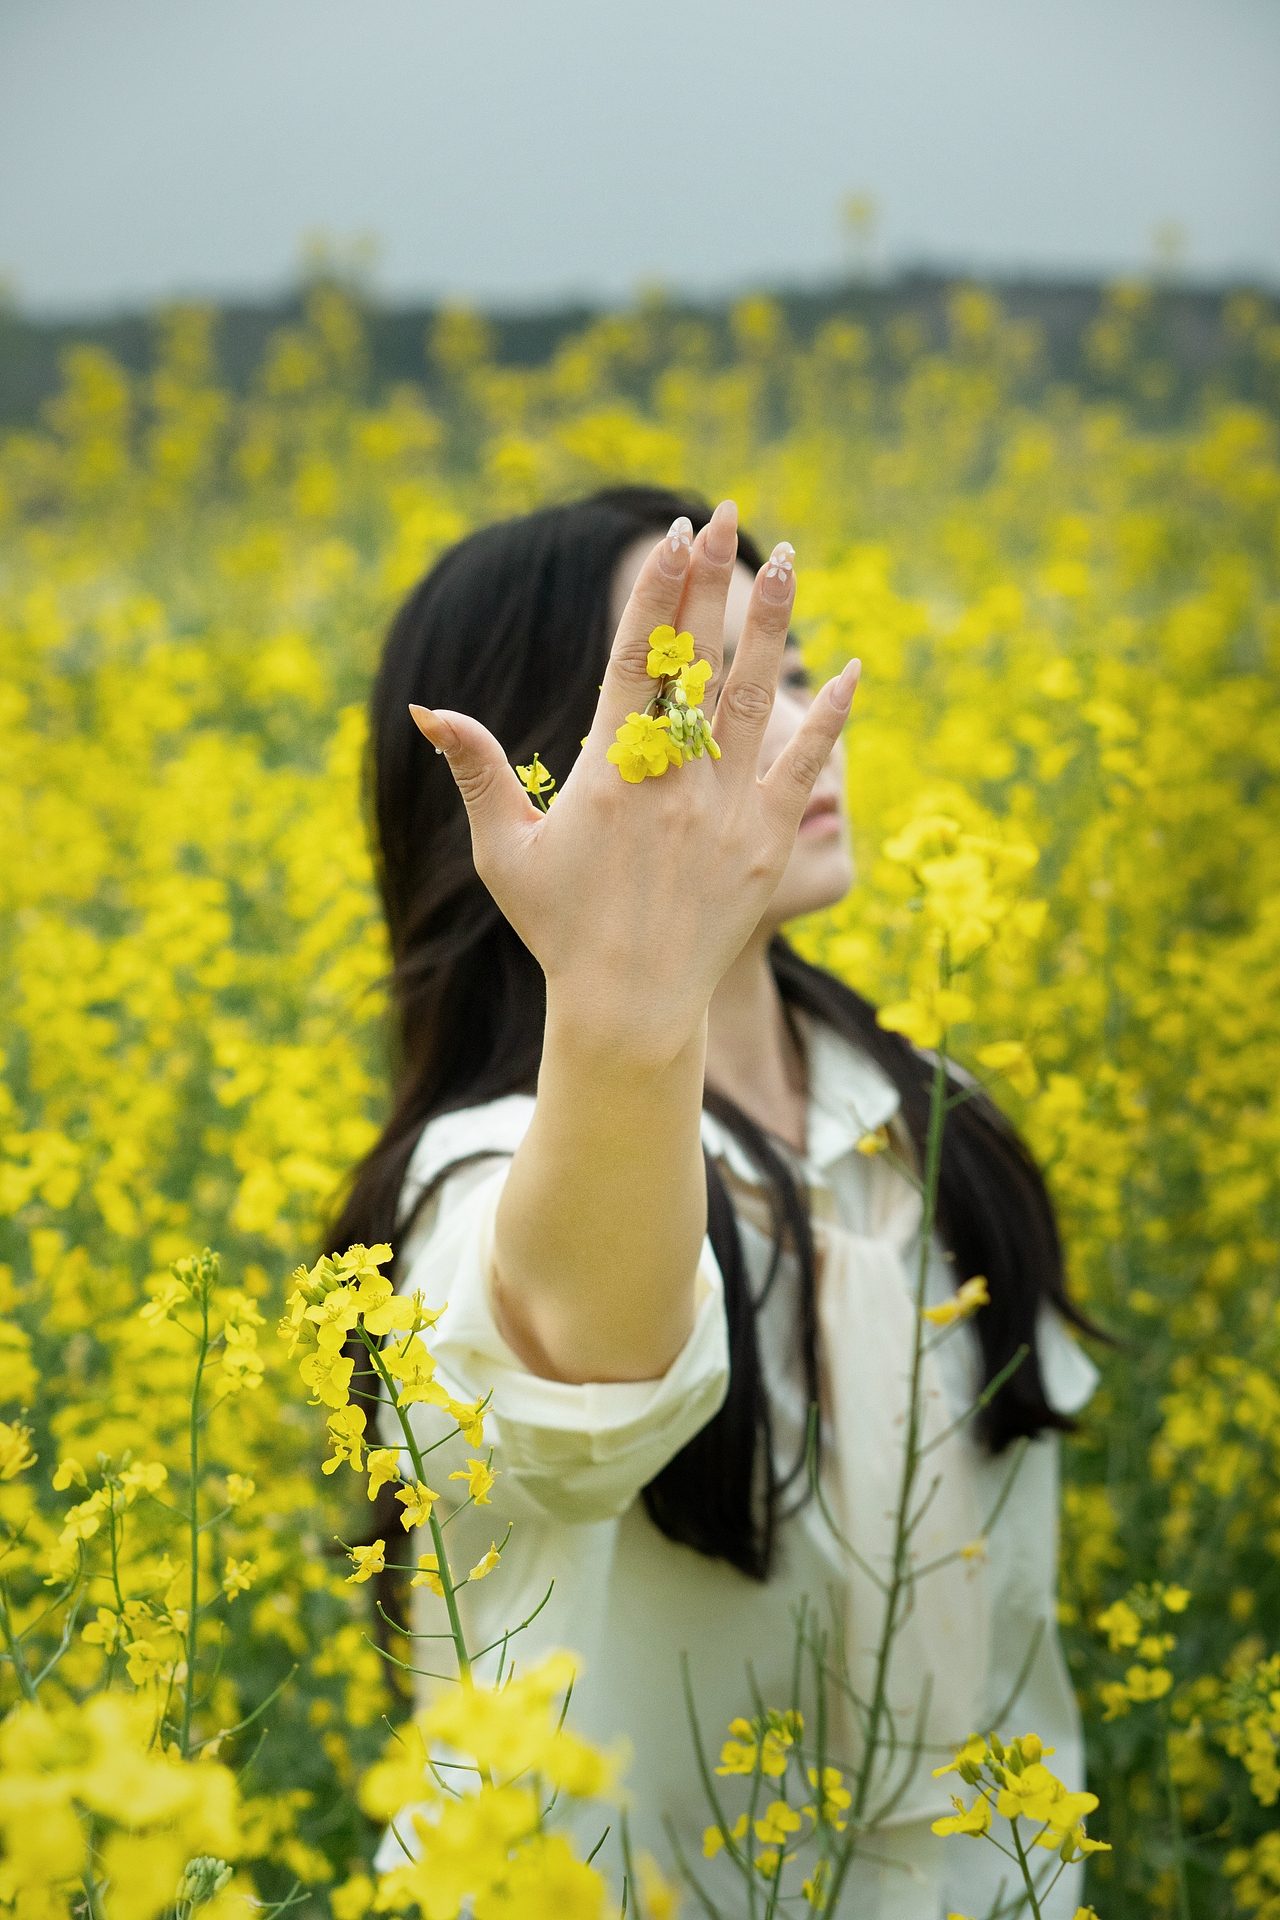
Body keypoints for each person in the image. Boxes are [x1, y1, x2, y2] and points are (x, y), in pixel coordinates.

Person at [333, 487, 1099, 1915]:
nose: (786, 715)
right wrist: (622, 993)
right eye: (707, 682)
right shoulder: (483, 1181)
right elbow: (588, 1378)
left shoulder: (926, 1114)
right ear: (543, 768)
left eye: (787, 667)